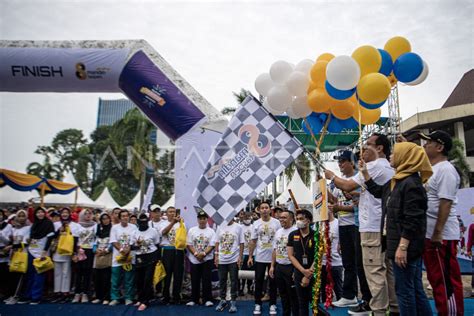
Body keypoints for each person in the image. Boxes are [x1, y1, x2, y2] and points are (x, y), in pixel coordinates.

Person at [325, 133, 398, 316]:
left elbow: (348, 185)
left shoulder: (375, 166)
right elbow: (374, 192)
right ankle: (393, 308)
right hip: (378, 224)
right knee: (385, 270)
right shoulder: (384, 167)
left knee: (374, 272)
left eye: (368, 144)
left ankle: (379, 310)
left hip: (371, 226)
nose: (363, 148)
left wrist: (332, 177)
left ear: (379, 148)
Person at [361, 142, 433, 315]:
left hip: (406, 247)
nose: (391, 155)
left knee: (404, 291)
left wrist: (403, 246)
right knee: (414, 288)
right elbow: (379, 192)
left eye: (395, 153)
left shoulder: (411, 184)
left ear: (405, 157)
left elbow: (413, 219)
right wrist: (365, 174)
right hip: (398, 244)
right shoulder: (397, 181)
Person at [419, 131, 464, 315]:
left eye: (429, 142)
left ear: (439, 147)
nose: (425, 145)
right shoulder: (432, 169)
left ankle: (452, 313)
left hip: (441, 236)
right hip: (430, 235)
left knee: (446, 281)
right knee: (436, 279)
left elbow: (445, 203)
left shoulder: (446, 169)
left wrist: (438, 232)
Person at [329, 151, 360, 308]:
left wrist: (339, 207)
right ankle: (349, 295)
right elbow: (334, 201)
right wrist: (322, 187)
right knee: (348, 262)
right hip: (342, 225)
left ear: (351, 162)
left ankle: (362, 296)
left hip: (356, 225)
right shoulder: (338, 183)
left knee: (358, 263)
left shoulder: (358, 179)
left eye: (342, 161)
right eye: (339, 161)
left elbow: (358, 205)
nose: (340, 164)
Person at [248, 202, 281, 315]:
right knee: (259, 281)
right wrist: (250, 256)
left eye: (266, 207)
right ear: (259, 210)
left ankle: (273, 304)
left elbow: (281, 238)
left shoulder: (277, 223)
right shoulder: (256, 224)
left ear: (270, 210)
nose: (264, 210)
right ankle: (257, 304)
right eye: (262, 208)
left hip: (274, 257)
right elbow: (253, 241)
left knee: (273, 282)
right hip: (260, 258)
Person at [18, 207, 55, 304]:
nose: (40, 214)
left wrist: (45, 250)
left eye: (41, 212)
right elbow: (31, 236)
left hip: (42, 251)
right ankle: (27, 295)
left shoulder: (48, 223)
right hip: (31, 250)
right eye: (38, 212)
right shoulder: (34, 224)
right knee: (29, 274)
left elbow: (50, 238)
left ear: (44, 213)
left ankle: (36, 296)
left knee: (39, 274)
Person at [269, 209, 297, 316]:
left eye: (284, 217)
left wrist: (296, 270)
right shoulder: (278, 232)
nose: (281, 219)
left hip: (290, 267)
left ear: (291, 219)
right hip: (279, 267)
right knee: (283, 295)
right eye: (280, 217)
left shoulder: (295, 232)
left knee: (293, 295)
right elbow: (275, 250)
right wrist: (272, 266)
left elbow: (298, 253)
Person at [287, 209, 315, 316]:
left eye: (301, 219)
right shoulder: (293, 234)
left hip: (313, 272)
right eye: (297, 219)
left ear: (308, 220)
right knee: (302, 303)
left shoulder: (316, 235)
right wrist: (303, 271)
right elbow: (290, 255)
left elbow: (319, 256)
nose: (298, 221)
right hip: (299, 271)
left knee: (315, 302)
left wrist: (308, 275)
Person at [186, 210, 216, 307]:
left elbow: (212, 245)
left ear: (207, 220)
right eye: (200, 219)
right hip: (194, 259)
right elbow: (189, 244)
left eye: (204, 219)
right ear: (197, 220)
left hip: (207, 259)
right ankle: (194, 299)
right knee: (194, 279)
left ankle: (207, 299)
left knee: (206, 279)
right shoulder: (192, 230)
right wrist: (196, 254)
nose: (202, 220)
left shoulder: (211, 231)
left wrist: (203, 254)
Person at [214, 218, 244, 313]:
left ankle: (233, 301)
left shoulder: (238, 227)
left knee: (234, 280)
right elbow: (217, 242)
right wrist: (216, 256)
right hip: (222, 259)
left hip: (233, 259)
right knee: (222, 280)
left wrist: (240, 257)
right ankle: (223, 300)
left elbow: (241, 243)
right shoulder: (220, 226)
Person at [51, 207, 80, 304]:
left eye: (66, 212)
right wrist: (59, 231)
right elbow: (52, 237)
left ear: (69, 214)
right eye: (63, 212)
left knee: (66, 273)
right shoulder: (56, 224)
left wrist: (74, 253)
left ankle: (65, 292)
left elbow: (75, 239)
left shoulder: (74, 225)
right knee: (57, 273)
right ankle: (57, 292)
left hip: (67, 252)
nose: (64, 214)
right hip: (57, 251)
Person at [109, 209, 137, 306]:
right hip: (117, 258)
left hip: (130, 257)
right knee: (115, 279)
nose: (125, 217)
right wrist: (122, 250)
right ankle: (115, 298)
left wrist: (128, 249)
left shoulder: (133, 227)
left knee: (129, 278)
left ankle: (129, 298)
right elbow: (113, 241)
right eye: (123, 216)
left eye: (126, 216)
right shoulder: (114, 228)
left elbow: (134, 240)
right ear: (120, 218)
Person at [133, 213, 160, 311]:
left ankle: (146, 301)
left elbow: (157, 245)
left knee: (147, 280)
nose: (143, 223)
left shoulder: (153, 231)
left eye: (145, 221)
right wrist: (137, 245)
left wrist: (157, 259)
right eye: (141, 221)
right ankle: (140, 298)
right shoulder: (134, 232)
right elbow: (131, 246)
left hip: (151, 257)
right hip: (139, 257)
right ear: (138, 222)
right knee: (139, 280)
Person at [4, 209, 31, 305]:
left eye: (23, 216)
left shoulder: (28, 228)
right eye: (19, 216)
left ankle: (16, 296)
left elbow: (25, 242)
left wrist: (12, 246)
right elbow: (11, 240)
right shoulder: (14, 228)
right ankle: (12, 295)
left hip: (22, 254)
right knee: (12, 276)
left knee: (19, 276)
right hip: (13, 254)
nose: (21, 218)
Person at [160, 206, 186, 304]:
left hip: (179, 251)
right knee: (167, 274)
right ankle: (166, 296)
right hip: (167, 250)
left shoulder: (182, 224)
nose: (172, 213)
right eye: (170, 212)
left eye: (173, 212)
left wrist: (179, 223)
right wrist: (173, 223)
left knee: (178, 274)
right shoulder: (163, 223)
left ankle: (176, 297)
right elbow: (163, 232)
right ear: (166, 213)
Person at [72, 209, 97, 303]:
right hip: (79, 250)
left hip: (90, 251)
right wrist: (74, 252)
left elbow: (96, 238)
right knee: (78, 272)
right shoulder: (77, 225)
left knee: (87, 272)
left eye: (90, 213)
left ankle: (85, 293)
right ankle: (77, 293)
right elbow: (75, 240)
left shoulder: (95, 225)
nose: (88, 215)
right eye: (85, 214)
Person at [320, 209, 343, 303]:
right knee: (324, 289)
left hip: (336, 263)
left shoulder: (338, 223)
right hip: (322, 263)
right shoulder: (320, 224)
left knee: (338, 289)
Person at [92, 213, 113, 305]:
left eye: (107, 218)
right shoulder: (98, 229)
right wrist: (96, 250)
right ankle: (98, 296)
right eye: (103, 219)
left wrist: (106, 251)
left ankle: (106, 297)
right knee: (97, 278)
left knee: (106, 278)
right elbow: (94, 243)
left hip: (108, 255)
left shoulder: (112, 229)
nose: (105, 220)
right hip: (98, 256)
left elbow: (113, 242)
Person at [239, 210, 254, 296]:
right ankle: (241, 288)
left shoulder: (253, 226)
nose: (247, 218)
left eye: (249, 217)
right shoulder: (239, 227)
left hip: (252, 253)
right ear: (243, 218)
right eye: (246, 217)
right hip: (243, 253)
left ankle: (250, 288)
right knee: (242, 272)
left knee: (251, 272)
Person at [0, 209, 13, 300]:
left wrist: (0, 234)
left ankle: (5, 293)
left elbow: (8, 241)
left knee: (4, 275)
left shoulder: (8, 226)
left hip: (4, 252)